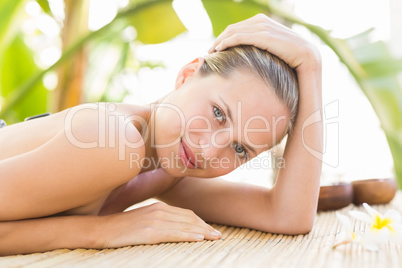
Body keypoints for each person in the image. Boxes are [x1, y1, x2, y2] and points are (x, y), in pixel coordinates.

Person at [0, 14, 323, 256]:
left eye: (240, 148)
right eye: (218, 113)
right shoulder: (113, 141)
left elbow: (287, 216)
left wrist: (311, 68)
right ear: (186, 75)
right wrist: (98, 231)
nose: (209, 151)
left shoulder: (166, 172)